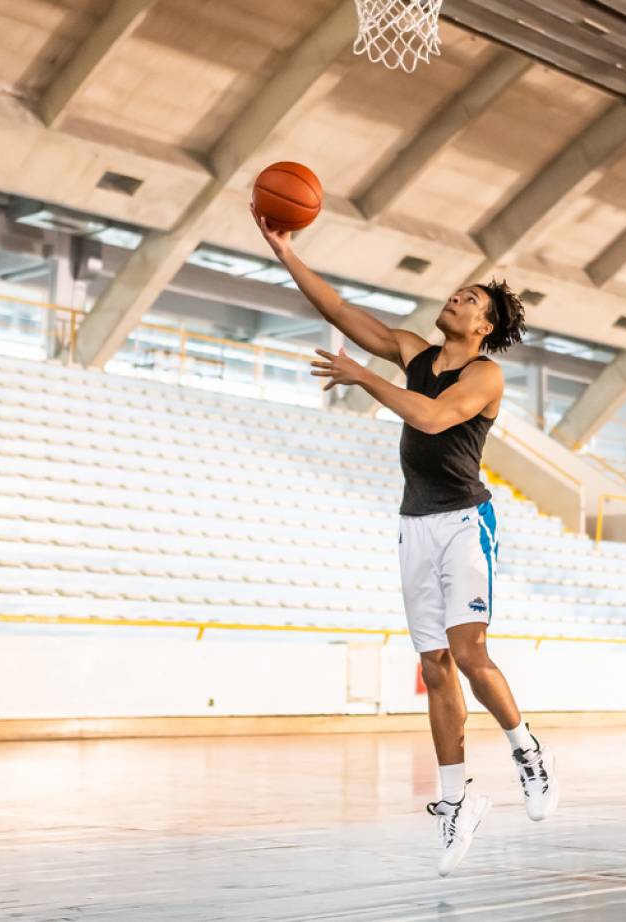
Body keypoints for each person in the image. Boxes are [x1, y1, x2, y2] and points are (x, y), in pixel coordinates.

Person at [254, 210, 557, 877]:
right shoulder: (415, 353)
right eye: (460, 291)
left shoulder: (483, 378)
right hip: (414, 522)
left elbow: (430, 415)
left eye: (472, 300)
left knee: (472, 655)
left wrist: (363, 378)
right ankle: (457, 802)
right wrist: (283, 251)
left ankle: (527, 750)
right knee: (436, 667)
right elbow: (337, 307)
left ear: (485, 327)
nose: (458, 297)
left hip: (462, 522)